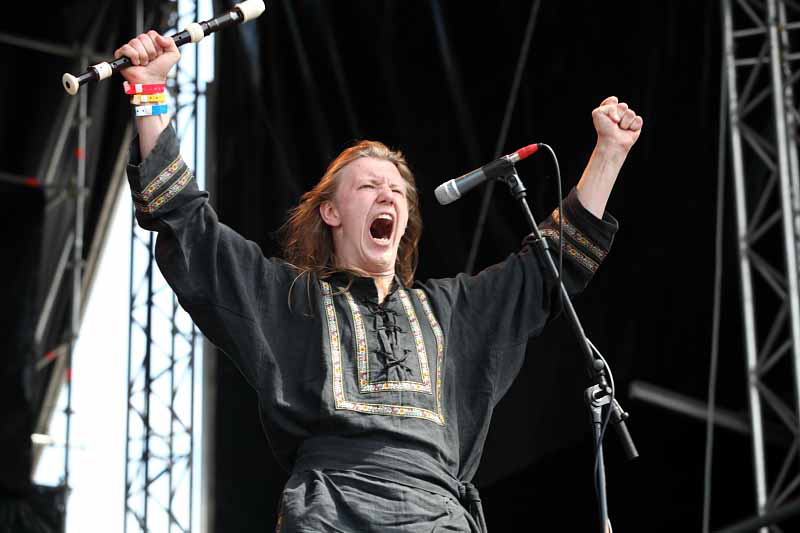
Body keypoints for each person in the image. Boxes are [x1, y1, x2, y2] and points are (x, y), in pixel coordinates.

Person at [117, 30, 642, 532]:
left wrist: (609, 154)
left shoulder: (452, 310)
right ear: (330, 212)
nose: (388, 195)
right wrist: (148, 91)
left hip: (438, 517)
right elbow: (191, 229)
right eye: (369, 185)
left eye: (397, 191)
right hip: (332, 512)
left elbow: (547, 267)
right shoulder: (289, 299)